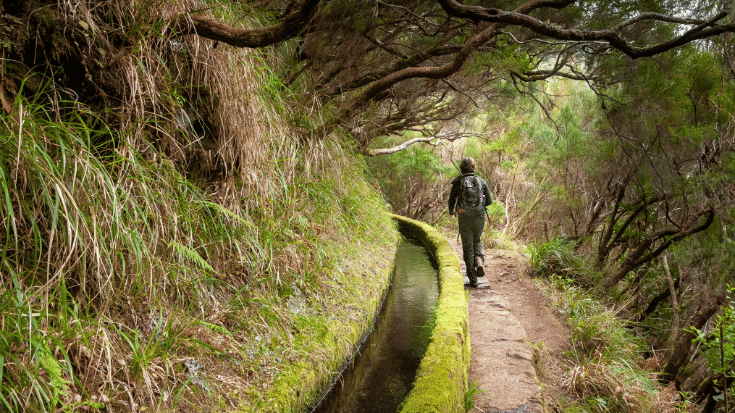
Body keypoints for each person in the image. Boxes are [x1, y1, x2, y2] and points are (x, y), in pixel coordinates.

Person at [448, 157, 493, 288]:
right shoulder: (481, 181)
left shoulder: (458, 182)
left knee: (468, 247)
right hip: (479, 216)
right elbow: (489, 201)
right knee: (477, 240)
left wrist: (452, 212)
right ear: (474, 167)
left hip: (464, 216)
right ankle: (479, 262)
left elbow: (451, 200)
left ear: (461, 169)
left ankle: (473, 280)